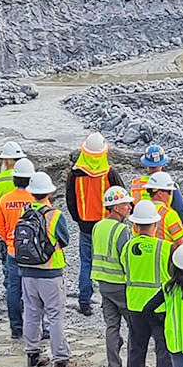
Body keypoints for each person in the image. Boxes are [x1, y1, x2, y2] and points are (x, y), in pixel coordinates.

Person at [15, 172, 76, 367]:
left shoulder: (24, 212)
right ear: (50, 191)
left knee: (31, 313)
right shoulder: (55, 215)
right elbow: (64, 240)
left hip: (27, 271)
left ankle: (33, 355)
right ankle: (61, 359)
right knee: (55, 315)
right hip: (50, 272)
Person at [123, 201, 178, 367]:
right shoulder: (166, 248)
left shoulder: (128, 247)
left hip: (135, 305)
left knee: (136, 348)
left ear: (135, 226)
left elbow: (125, 272)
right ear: (155, 225)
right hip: (159, 307)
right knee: (163, 350)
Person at [66, 133, 122, 316]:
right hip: (107, 226)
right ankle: (111, 300)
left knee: (86, 263)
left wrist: (79, 220)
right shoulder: (110, 173)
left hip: (85, 226)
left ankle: (85, 301)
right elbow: (121, 195)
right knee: (110, 263)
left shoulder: (74, 174)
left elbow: (70, 201)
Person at [94, 186, 138, 367]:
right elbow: (128, 261)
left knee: (112, 327)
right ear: (116, 207)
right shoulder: (122, 230)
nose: (129, 207)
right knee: (134, 329)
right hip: (121, 286)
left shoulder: (98, 226)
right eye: (126, 203)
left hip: (104, 285)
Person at [0, 157, 37, 339]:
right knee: (34, 292)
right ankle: (35, 328)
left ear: (14, 179)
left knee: (13, 290)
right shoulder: (36, 200)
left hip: (12, 252)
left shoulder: (5, 200)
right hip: (33, 254)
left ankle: (16, 329)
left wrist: (10, 242)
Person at [135, 145, 183, 214]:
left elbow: (131, 209)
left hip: (140, 223)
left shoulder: (135, 184)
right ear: (162, 164)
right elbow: (181, 212)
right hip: (164, 222)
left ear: (146, 163)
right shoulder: (170, 185)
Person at [145, 171, 183, 243]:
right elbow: (180, 243)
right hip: (165, 253)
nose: (170, 195)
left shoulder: (141, 212)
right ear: (160, 194)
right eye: (169, 192)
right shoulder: (169, 214)